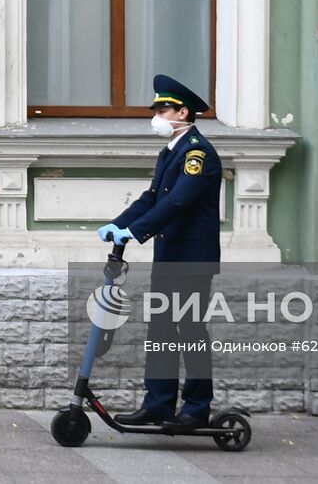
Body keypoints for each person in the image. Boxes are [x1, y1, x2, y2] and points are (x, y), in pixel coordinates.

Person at [97, 74, 222, 431]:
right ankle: (159, 404)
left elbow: (179, 202)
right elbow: (152, 198)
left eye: (164, 109)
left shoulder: (197, 153)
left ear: (184, 111)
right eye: (157, 109)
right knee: (162, 330)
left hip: (192, 260)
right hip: (170, 256)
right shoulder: (171, 151)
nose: (158, 115)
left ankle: (196, 408)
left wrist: (136, 232)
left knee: (191, 330)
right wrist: (118, 224)